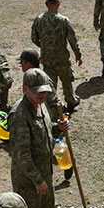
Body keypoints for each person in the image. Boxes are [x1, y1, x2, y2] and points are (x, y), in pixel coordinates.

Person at [9, 68, 70, 208]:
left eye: (44, 91)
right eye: (37, 92)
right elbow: (21, 155)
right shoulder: (19, 114)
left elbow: (43, 132)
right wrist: (37, 180)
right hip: (29, 179)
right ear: (25, 89)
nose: (42, 95)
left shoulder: (41, 107)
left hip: (45, 174)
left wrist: (58, 127)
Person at [19, 48, 73, 182]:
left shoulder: (40, 79)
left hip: (49, 112)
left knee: (49, 143)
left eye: (23, 62)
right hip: (44, 111)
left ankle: (66, 163)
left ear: (29, 64)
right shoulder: (34, 77)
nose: (21, 65)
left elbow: (45, 99)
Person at [31, 0, 83, 113]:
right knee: (66, 81)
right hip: (62, 58)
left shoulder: (39, 20)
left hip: (47, 58)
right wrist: (78, 55)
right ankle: (71, 101)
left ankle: (51, 105)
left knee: (50, 83)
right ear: (58, 4)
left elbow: (34, 38)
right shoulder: (64, 20)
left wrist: (44, 46)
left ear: (46, 4)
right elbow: (72, 40)